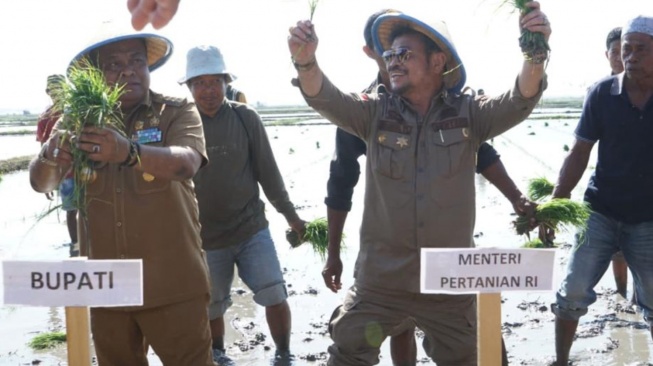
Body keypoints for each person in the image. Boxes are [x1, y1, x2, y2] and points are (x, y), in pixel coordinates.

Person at [289, 1, 549, 364]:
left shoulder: (468, 114)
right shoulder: (373, 113)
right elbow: (324, 97)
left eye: (404, 53)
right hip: (381, 281)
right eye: (390, 54)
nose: (393, 60)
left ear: (438, 61)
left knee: (482, 357)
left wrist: (535, 50)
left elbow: (520, 99)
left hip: (450, 283)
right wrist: (305, 61)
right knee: (347, 347)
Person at [28, 26, 215, 366]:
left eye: (137, 61)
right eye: (114, 64)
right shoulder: (77, 119)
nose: (128, 70)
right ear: (97, 75)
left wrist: (128, 151)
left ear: (148, 68)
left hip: (173, 285)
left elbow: (186, 163)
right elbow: (41, 183)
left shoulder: (175, 111)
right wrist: (51, 157)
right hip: (108, 291)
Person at [179, 45, 306, 364]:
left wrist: (291, 216)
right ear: (190, 87)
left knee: (275, 294)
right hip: (205, 238)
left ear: (226, 82)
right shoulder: (181, 124)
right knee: (212, 304)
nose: (208, 90)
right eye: (200, 83)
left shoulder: (244, 116)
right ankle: (218, 353)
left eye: (215, 82)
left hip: (251, 230)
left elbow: (268, 171)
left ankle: (284, 353)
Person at [549, 16, 653, 365]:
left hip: (648, 219)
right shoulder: (601, 93)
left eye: (641, 49)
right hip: (600, 212)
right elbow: (580, 152)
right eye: (627, 49)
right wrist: (556, 202)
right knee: (573, 292)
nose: (631, 56)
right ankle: (561, 360)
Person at [35, 74, 79, 257]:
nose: (56, 94)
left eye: (59, 90)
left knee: (92, 210)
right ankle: (76, 246)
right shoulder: (46, 117)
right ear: (48, 92)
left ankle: (88, 244)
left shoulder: (77, 110)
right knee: (71, 211)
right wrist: (46, 179)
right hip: (65, 174)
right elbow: (43, 150)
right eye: (52, 91)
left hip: (87, 170)